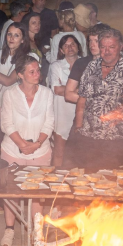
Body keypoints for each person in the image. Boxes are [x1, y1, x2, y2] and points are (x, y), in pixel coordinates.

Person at [68, 28, 123, 170]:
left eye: (112, 47)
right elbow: (82, 100)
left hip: (116, 140)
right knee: (83, 177)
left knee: (110, 179)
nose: (107, 51)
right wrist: (78, 127)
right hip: (87, 137)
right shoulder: (91, 67)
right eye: (103, 47)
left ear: (120, 46)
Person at [0, 56, 55, 246]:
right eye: (32, 71)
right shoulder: (10, 94)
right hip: (12, 150)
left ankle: (36, 232)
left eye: (38, 70)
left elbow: (49, 122)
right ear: (20, 75)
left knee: (37, 192)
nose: (37, 74)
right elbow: (6, 123)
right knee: (11, 191)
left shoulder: (46, 93)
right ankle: (9, 229)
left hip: (40, 151)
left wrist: (37, 144)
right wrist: (22, 144)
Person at [48, 34, 81, 168]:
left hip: (81, 113)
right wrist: (81, 90)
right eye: (66, 46)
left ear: (78, 47)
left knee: (78, 154)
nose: (70, 48)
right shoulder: (56, 66)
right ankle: (55, 178)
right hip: (62, 113)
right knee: (59, 152)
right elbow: (57, 89)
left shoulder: (87, 64)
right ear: (61, 50)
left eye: (72, 44)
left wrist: (67, 89)